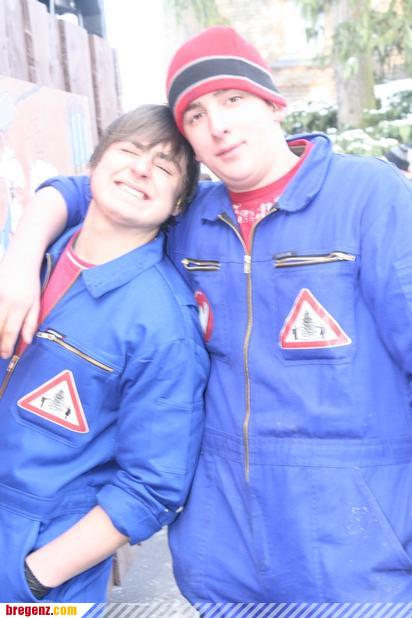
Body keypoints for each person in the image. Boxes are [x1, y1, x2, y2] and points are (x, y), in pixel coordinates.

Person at [1, 25, 412, 604]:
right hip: (223, 566)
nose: (217, 124)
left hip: (359, 561)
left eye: (232, 99)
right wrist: (21, 256)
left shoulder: (368, 195)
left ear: (273, 103)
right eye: (195, 115)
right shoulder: (191, 219)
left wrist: (32, 578)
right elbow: (94, 188)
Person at [0, 103, 208, 602]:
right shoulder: (33, 258)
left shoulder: (163, 324)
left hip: (41, 573)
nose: (141, 169)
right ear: (93, 164)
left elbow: (153, 486)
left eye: (165, 167)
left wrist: (34, 576)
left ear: (178, 204)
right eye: (130, 150)